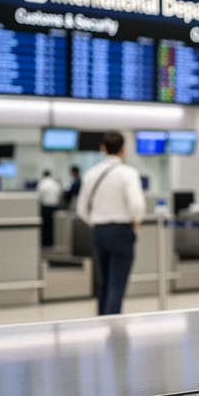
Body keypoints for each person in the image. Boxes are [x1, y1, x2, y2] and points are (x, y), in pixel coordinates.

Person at [76, 132, 145, 316]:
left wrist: (97, 222)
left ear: (103, 148)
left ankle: (101, 323)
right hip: (121, 231)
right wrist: (135, 222)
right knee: (117, 284)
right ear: (123, 149)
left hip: (99, 231)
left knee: (104, 282)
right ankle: (112, 328)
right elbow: (137, 204)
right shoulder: (128, 173)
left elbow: (81, 209)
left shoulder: (90, 174)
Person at [37, 170, 62, 248]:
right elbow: (59, 196)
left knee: (45, 227)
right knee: (53, 227)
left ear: (43, 175)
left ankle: (45, 243)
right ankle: (52, 243)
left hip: (45, 207)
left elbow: (39, 197)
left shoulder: (42, 183)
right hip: (55, 207)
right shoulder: (56, 183)